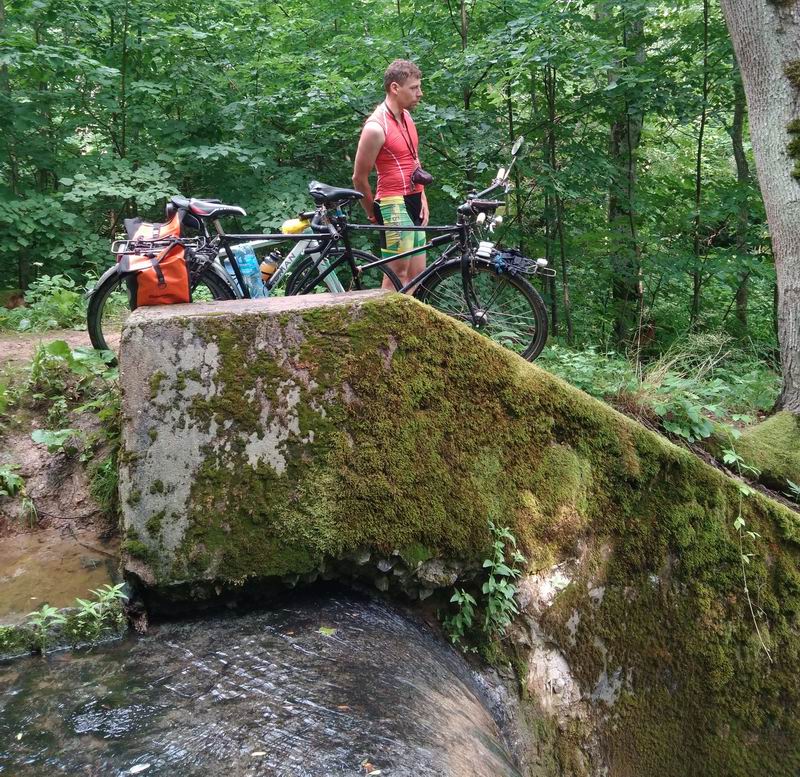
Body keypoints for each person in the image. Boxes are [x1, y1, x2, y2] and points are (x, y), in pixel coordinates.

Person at [352, 59, 429, 290]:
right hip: (393, 204)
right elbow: (359, 177)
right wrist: (372, 215)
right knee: (398, 275)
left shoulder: (407, 117)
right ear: (395, 88)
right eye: (414, 88)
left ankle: (406, 326)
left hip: (414, 199)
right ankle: (380, 325)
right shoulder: (375, 127)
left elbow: (414, 160)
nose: (420, 94)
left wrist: (423, 196)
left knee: (417, 275)